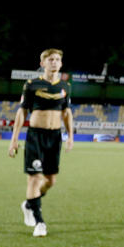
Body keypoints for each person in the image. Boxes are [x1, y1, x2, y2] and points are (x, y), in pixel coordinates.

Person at [8, 48, 74, 237]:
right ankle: (39, 222)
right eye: (50, 59)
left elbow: (67, 113)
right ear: (42, 63)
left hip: (55, 137)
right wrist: (14, 140)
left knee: (50, 181)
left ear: (61, 64)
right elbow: (22, 112)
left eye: (57, 59)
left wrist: (70, 136)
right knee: (34, 178)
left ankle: (29, 204)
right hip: (36, 136)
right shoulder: (31, 85)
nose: (54, 62)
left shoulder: (65, 87)